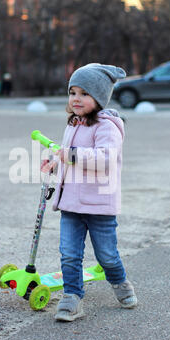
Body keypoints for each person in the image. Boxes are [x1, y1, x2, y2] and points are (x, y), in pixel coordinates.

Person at [41, 63, 137, 322]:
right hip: (71, 204)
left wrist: (68, 155)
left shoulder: (107, 126)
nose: (76, 99)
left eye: (84, 93)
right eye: (73, 92)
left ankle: (119, 282)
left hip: (99, 206)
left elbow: (105, 159)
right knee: (69, 254)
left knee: (106, 256)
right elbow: (68, 156)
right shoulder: (73, 124)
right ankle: (72, 297)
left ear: (99, 98)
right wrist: (55, 160)